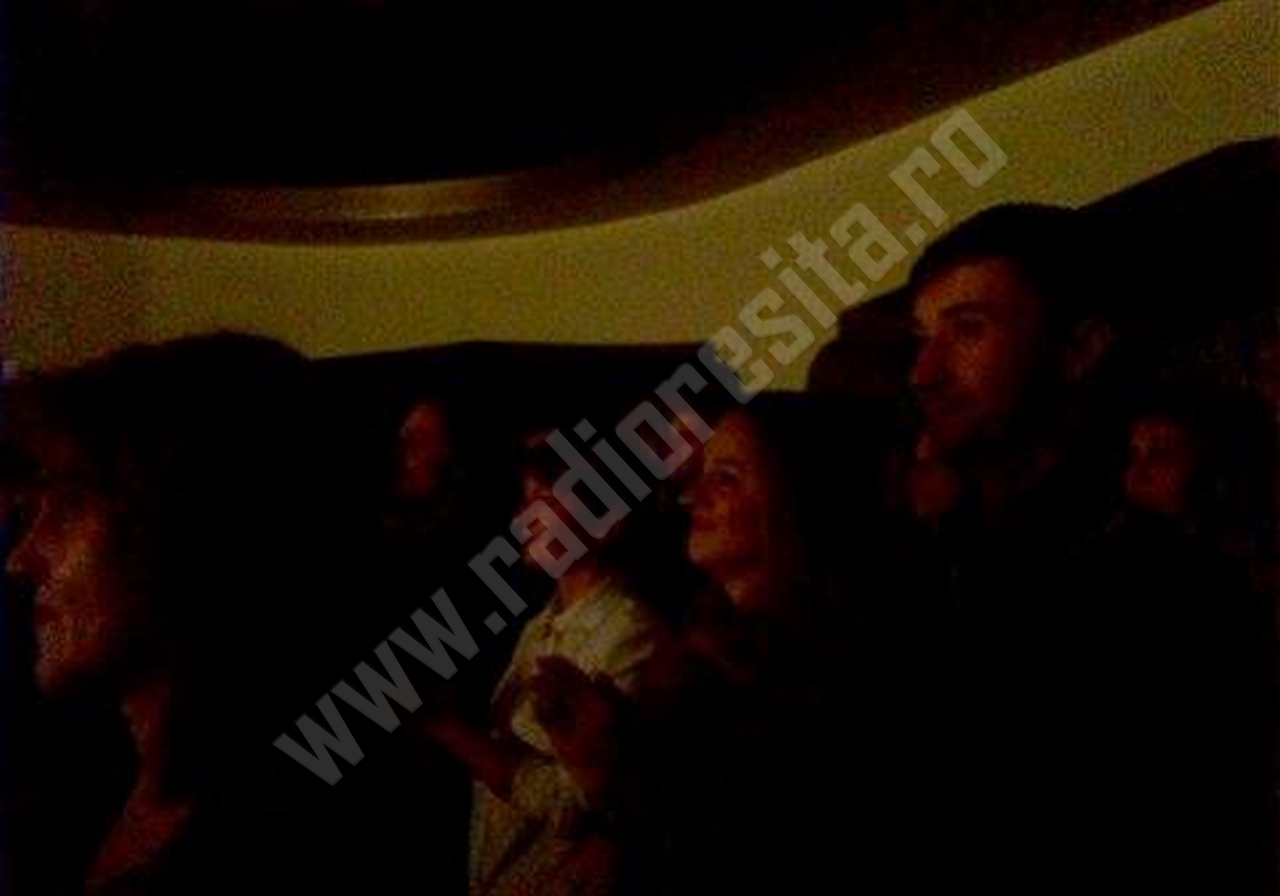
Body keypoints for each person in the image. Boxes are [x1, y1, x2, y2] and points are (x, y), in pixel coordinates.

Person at [870, 203, 1264, 892]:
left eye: (968, 330)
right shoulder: (943, 560)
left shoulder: (1159, 575)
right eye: (922, 338)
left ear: (1080, 348)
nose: (923, 372)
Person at [2, 334, 385, 895]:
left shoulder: (290, 835)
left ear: (184, 524)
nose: (20, 559)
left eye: (71, 505)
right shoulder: (75, 773)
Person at [532, 400, 853, 895]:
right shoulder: (701, 654)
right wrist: (606, 757)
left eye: (726, 478)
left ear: (795, 495)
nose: (691, 497)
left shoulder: (826, 675)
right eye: (696, 478)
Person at [415, 427, 670, 896]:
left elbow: (579, 804)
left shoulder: (631, 632)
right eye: (524, 501)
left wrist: (446, 726)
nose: (523, 519)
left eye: (544, 500)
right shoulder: (540, 625)